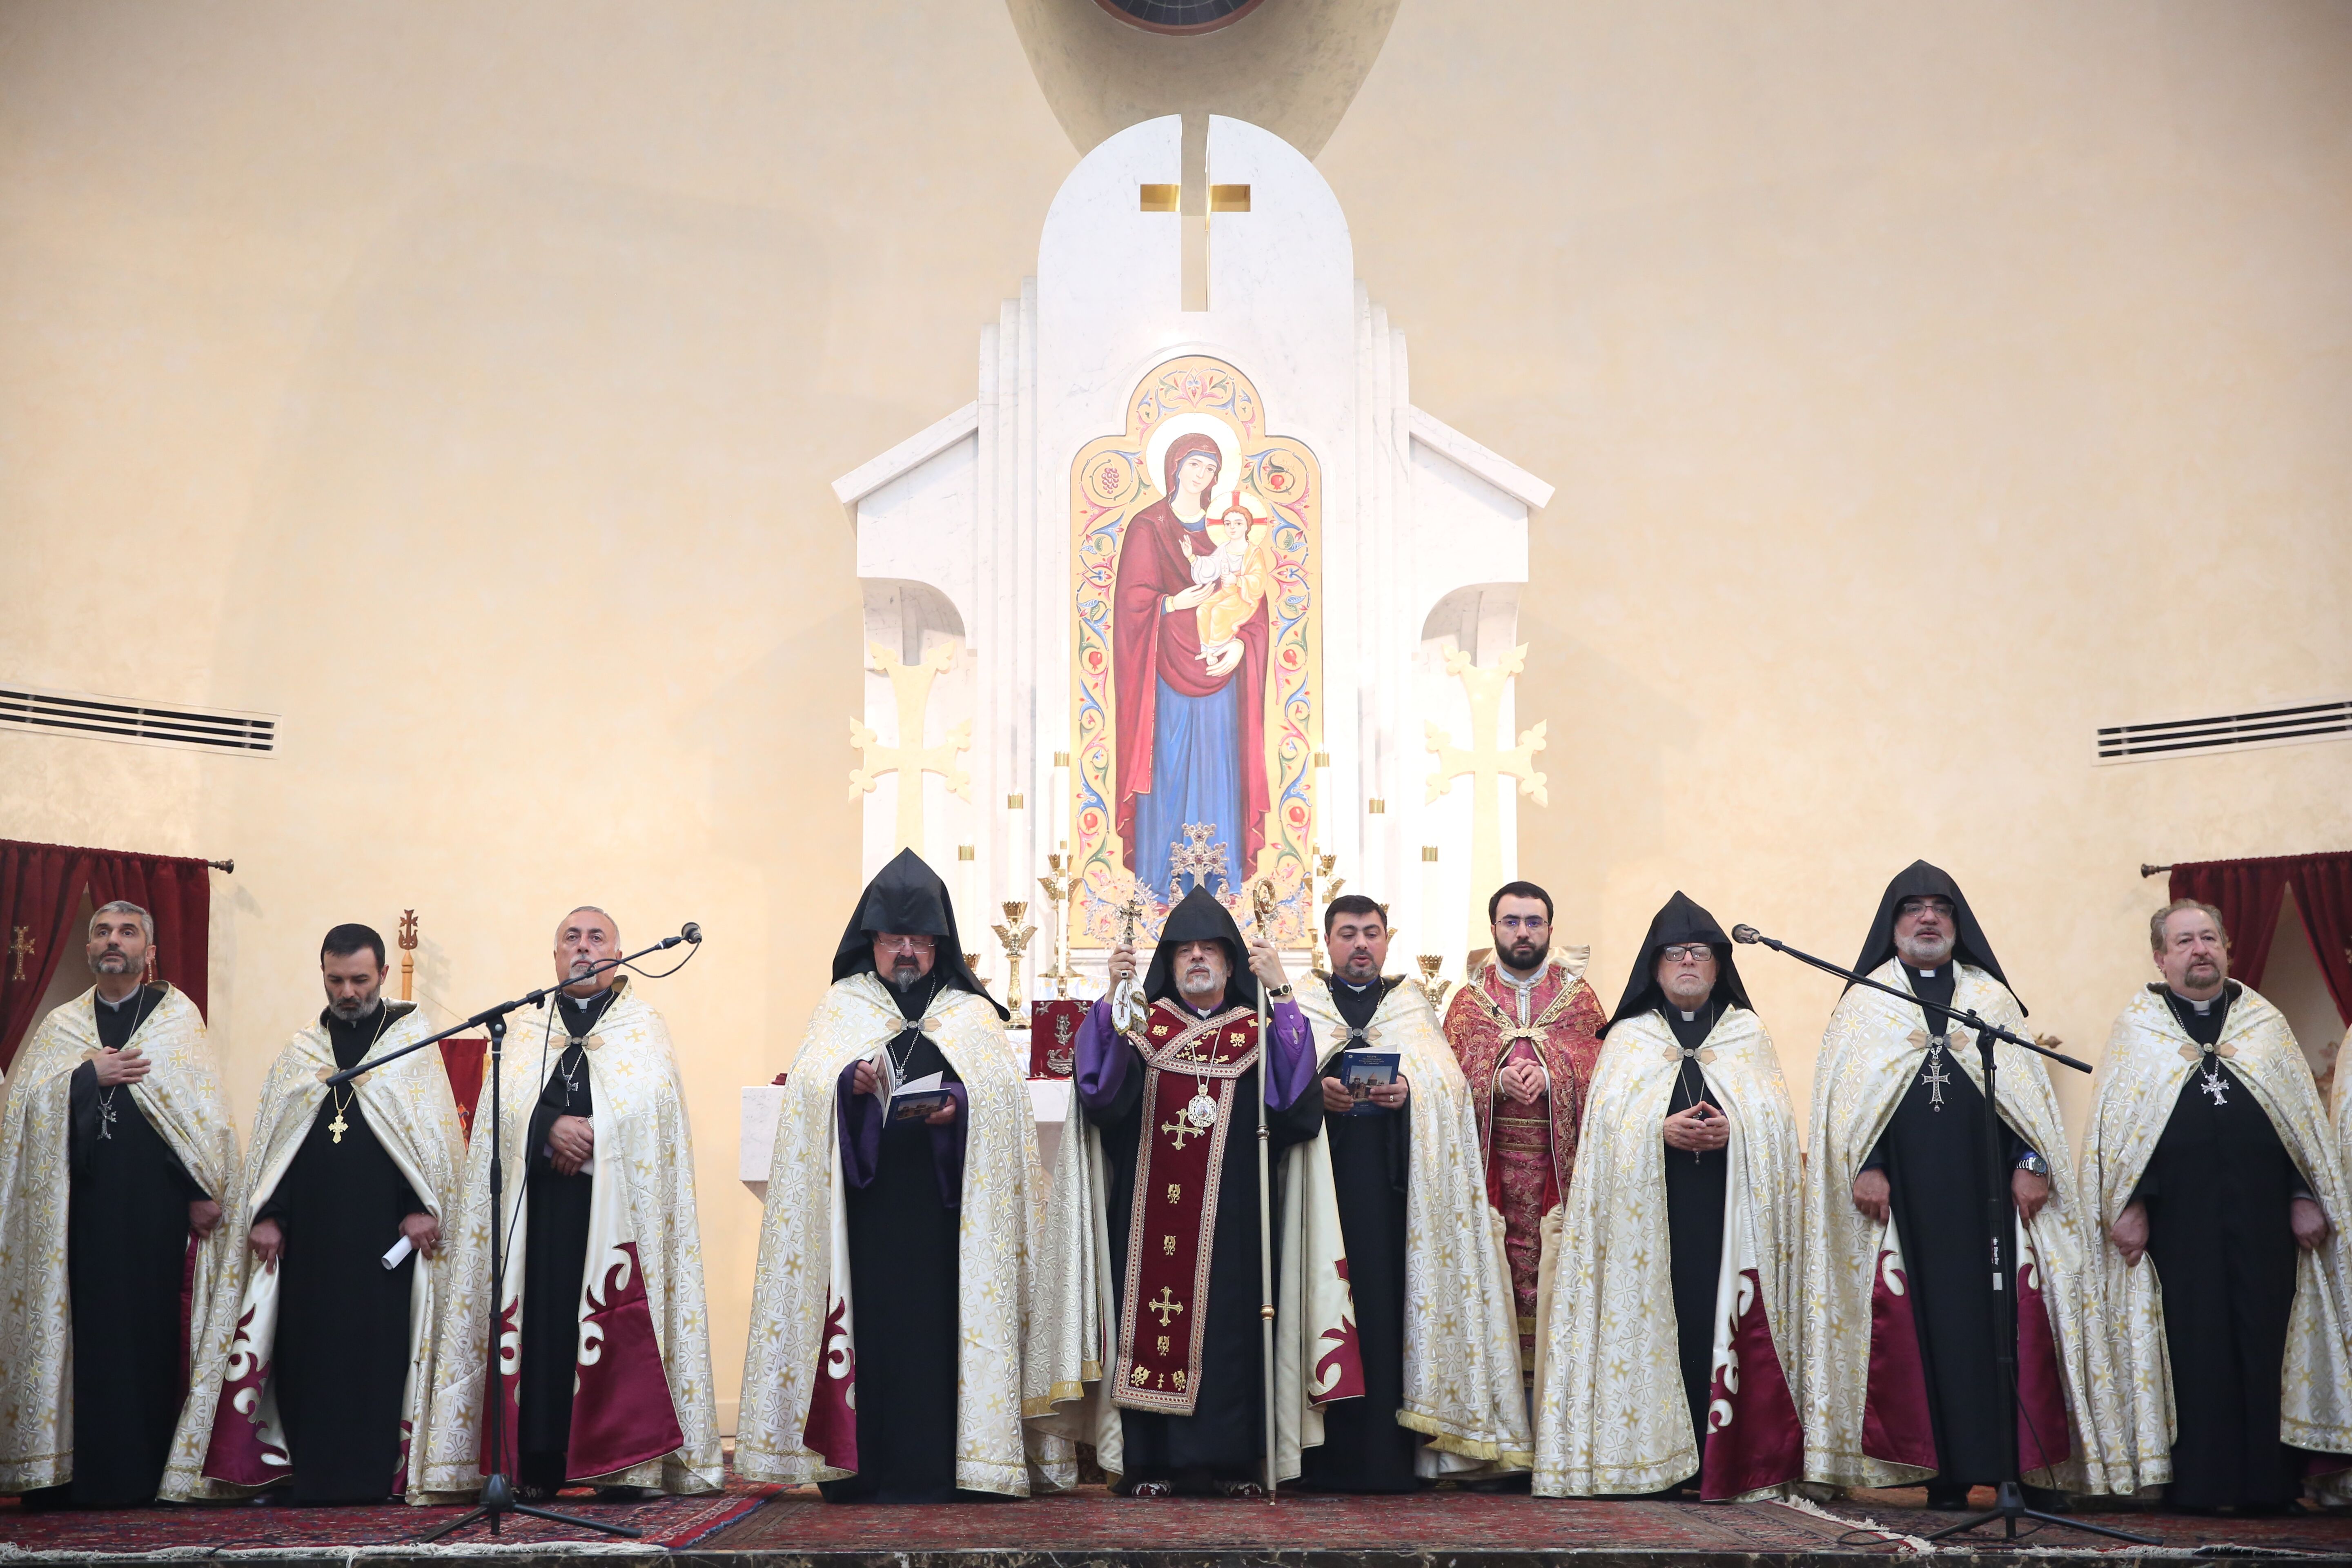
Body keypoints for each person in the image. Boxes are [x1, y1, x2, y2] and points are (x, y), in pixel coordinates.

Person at [1799, 862, 2128, 1503]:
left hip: (1992, 1202)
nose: (1928, 918)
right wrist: (1867, 1166)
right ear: (1893, 924)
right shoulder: (1865, 1003)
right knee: (1923, 1335)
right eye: (1913, 908)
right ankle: (1943, 1476)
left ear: (1957, 922)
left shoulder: (1992, 999)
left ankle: (2019, 1467)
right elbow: (1846, 1108)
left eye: (1941, 908)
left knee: (2004, 1329)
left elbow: (2029, 1103)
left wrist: (2032, 1164)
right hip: (1904, 1208)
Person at [736, 849, 1056, 1500]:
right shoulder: (843, 1007)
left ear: (940, 945)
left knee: (940, 1336)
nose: (906, 951)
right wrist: (847, 1084)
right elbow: (810, 1089)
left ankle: (950, 1469)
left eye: (920, 939)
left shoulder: (969, 1013)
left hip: (949, 1218)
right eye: (893, 939)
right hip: (869, 1212)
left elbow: (1001, 1100)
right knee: (874, 1336)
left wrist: (958, 1106)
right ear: (872, 941)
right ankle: (862, 1471)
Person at [1028, 887, 1342, 1497]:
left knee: (1234, 1329)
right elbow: (1100, 1097)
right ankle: (1151, 1464)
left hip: (1236, 1219)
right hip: (1148, 1220)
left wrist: (1281, 992)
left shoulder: (1257, 1031)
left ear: (1230, 963)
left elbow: (1297, 1109)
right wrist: (1114, 999)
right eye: (1184, 951)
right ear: (1169, 964)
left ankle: (1234, 1464)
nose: (1198, 958)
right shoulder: (1144, 1027)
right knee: (1149, 1326)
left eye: (1210, 950)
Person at [418, 906, 721, 1500]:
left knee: (613, 1325)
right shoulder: (526, 1030)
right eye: (571, 939)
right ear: (556, 955)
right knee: (542, 1335)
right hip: (540, 1218)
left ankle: (621, 1465)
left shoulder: (644, 1029)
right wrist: (548, 1128)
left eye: (597, 938)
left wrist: (595, 1137)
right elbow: (502, 1113)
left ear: (618, 955)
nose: (584, 948)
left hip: (616, 1219)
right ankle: (538, 1464)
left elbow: (652, 1114)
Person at [2082, 900, 2352, 1510]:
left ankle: (2271, 1487)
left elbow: (2299, 1127)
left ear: (2228, 949)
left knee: (2268, 1342)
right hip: (2177, 1224)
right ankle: (2199, 1486)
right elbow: (2120, 1136)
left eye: (2208, 938)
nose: (2199, 950)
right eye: (2184, 941)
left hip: (2266, 1219)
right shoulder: (2138, 1031)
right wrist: (2130, 1205)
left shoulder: (2264, 1024)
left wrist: (2303, 1195)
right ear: (2161, 958)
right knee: (2193, 1346)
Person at [1535, 892, 1803, 1499]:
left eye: (1701, 953)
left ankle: (1726, 1462)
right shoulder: (1629, 1039)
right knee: (1663, 1323)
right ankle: (1655, 1462)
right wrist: (1657, 1130)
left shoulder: (1746, 1033)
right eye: (1676, 953)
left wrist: (1737, 1129)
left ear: (1719, 965)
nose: (1688, 963)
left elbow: (1775, 1125)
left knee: (1719, 1320)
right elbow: (1605, 1134)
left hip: (1728, 1216)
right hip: (1652, 1221)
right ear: (1654, 966)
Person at [193, 923, 467, 1503]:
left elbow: (430, 1146)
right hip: (310, 1240)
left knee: (374, 1359)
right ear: (323, 974)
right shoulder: (302, 1052)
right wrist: (269, 1215)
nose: (348, 993)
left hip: (384, 1245)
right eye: (336, 980)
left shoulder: (410, 1047)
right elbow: (277, 1146)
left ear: (383, 975)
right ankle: (307, 1476)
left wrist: (421, 1208)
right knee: (307, 1357)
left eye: (360, 980)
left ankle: (374, 1479)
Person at [0, 901, 242, 1506]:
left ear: (149, 952)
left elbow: (200, 1116)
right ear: (89, 949)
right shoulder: (62, 1027)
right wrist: (88, 1077)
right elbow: (24, 1114)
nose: (115, 941)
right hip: (79, 1213)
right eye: (103, 932)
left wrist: (201, 1192)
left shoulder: (176, 1020)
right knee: (89, 1342)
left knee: (150, 1339)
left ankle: (150, 1475)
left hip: (156, 1211)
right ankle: (75, 1478)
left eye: (128, 933)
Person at [1290, 895, 1530, 1491]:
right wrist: (1317, 1092)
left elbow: (1449, 1088)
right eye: (1349, 933)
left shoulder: (1410, 1007)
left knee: (1385, 1315)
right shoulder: (1300, 1006)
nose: (1361, 944)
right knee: (1320, 1306)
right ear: (1328, 941)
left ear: (1387, 940)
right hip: (1322, 1191)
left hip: (1393, 1198)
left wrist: (1409, 1093)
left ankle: (1387, 1459)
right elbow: (1278, 1090)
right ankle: (1318, 1459)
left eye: (1372, 933)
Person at [1441, 881, 1606, 1389]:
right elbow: (1443, 1077)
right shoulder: (1468, 1003)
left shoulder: (1579, 1000)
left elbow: (1606, 1070)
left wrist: (1554, 1075)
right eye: (1511, 922)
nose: (1522, 932)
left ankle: (1557, 1402)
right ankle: (1501, 1399)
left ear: (1550, 930)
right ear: (1494, 929)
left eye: (1533, 922)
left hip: (1562, 1174)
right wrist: (1494, 1078)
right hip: (1490, 1170)